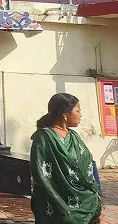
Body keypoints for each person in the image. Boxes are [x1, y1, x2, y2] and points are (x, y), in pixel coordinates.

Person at [30, 93, 102, 224]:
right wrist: (60, 204)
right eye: (78, 111)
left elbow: (89, 167)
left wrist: (96, 198)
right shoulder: (44, 137)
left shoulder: (74, 137)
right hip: (54, 202)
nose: (81, 115)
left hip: (83, 200)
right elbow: (40, 174)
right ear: (65, 114)